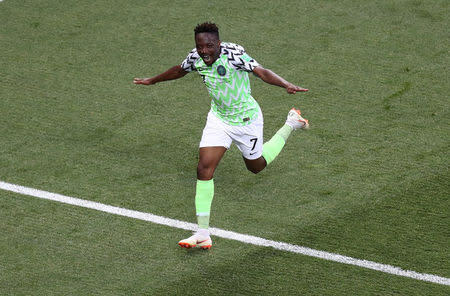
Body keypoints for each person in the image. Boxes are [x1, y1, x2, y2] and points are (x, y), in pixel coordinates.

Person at [134, 22, 309, 250]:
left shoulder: (234, 55)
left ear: (218, 43)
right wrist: (152, 80)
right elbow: (179, 70)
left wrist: (285, 84)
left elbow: (261, 71)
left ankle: (291, 124)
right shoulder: (195, 58)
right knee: (204, 168)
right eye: (200, 46)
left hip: (247, 121)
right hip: (219, 120)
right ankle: (203, 233)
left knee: (256, 166)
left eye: (208, 46)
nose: (204, 51)